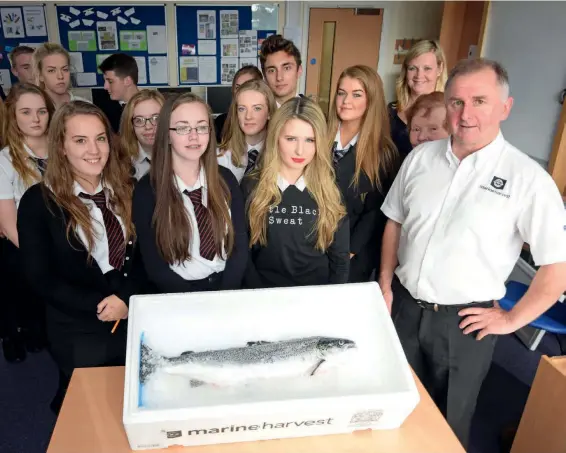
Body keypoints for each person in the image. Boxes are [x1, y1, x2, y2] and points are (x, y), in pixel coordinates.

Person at [379, 58, 566, 449]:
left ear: (504, 107)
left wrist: (512, 318)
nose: (465, 114)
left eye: (479, 101)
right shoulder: (420, 159)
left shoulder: (528, 180)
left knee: (448, 420)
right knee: (394, 406)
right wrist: (385, 283)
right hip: (405, 308)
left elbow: (556, 269)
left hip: (465, 323)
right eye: (456, 102)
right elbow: (394, 221)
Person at [17, 100, 145, 414]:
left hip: (133, 314)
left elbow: (147, 257)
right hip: (79, 323)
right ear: (60, 146)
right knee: (92, 410)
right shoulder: (39, 201)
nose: (94, 150)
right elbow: (40, 277)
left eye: (100, 138)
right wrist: (99, 306)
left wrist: (126, 299)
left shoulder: (130, 189)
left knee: (137, 401)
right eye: (80, 140)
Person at [132, 93, 247, 293]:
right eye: (183, 127)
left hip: (226, 288)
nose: (194, 136)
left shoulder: (225, 179)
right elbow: (154, 265)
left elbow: (239, 245)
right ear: (167, 134)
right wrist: (190, 299)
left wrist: (226, 292)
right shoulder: (146, 191)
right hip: (178, 294)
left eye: (202, 127)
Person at [243, 97, 349, 288]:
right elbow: (243, 254)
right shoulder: (252, 185)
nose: (300, 150)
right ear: (276, 137)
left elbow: (340, 258)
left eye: (310, 140)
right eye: (291, 139)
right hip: (263, 294)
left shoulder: (329, 189)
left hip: (314, 297)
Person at [327, 65, 400, 283]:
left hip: (352, 253)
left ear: (371, 100)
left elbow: (376, 212)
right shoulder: (318, 136)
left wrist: (348, 251)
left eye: (356, 94)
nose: (346, 101)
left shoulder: (383, 152)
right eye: (341, 93)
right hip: (310, 246)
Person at [0, 83, 54, 363]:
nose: (35, 119)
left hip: (62, 238)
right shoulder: (5, 159)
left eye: (42, 111)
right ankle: (16, 335)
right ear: (14, 115)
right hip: (23, 243)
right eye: (26, 112)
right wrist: (40, 254)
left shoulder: (63, 150)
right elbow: (8, 223)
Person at [389, 40, 447, 159]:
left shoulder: (449, 111)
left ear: (440, 69)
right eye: (412, 68)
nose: (419, 76)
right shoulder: (389, 111)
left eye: (427, 68)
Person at [217, 80, 276, 182]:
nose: (248, 116)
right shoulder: (220, 156)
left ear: (269, 113)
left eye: (257, 108)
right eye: (242, 109)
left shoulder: (280, 154)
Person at [119, 89, 165, 180]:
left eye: (156, 118)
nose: (148, 126)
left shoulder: (182, 156)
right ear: (131, 125)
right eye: (139, 120)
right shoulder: (119, 161)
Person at [32, 43, 90, 108]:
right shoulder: (33, 107)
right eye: (51, 71)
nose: (60, 76)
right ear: (40, 75)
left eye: (65, 69)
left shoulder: (84, 106)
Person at [214, 65, 263, 144]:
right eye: (238, 87)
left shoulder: (267, 121)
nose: (241, 92)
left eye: (247, 87)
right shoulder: (220, 122)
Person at [99, 53, 140, 133]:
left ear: (127, 81)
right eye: (105, 81)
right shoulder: (104, 109)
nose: (105, 87)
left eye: (110, 81)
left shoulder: (149, 107)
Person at [259, 35, 303, 108]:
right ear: (264, 75)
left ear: (299, 70)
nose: (279, 78)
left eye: (287, 68)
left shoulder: (313, 114)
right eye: (272, 70)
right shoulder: (257, 115)